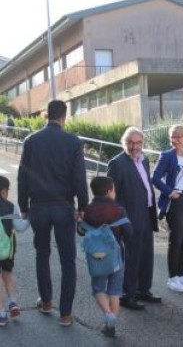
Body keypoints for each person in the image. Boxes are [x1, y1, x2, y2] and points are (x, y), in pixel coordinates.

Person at [17, 100, 88, 326]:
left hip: (38, 207)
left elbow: (22, 176)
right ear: (64, 117)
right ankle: (66, 313)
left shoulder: (31, 140)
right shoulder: (73, 142)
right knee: (68, 260)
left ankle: (46, 302)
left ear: (46, 115)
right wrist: (82, 207)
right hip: (63, 207)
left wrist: (24, 207)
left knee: (42, 254)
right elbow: (79, 177)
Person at [107, 127, 161, 310]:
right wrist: (119, 220)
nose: (134, 146)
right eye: (130, 142)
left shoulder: (143, 160)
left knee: (146, 254)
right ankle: (127, 295)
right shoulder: (117, 163)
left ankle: (143, 290)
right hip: (128, 217)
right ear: (124, 143)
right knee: (131, 257)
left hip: (145, 213)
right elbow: (110, 195)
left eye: (138, 142)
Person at [78, 176, 133, 337]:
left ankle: (107, 314)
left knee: (98, 289)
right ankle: (111, 324)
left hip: (96, 258)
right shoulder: (119, 210)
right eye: (114, 189)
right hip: (116, 257)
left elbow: (81, 231)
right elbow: (129, 231)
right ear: (110, 191)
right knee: (115, 291)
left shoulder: (88, 210)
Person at [152, 124, 183, 293]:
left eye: (180, 136)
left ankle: (182, 274)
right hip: (176, 200)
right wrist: (169, 192)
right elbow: (155, 178)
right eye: (174, 136)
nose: (177, 139)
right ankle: (172, 278)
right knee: (176, 240)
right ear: (170, 138)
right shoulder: (166, 156)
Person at [0, 176, 30, 326]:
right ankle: (13, 302)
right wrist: (29, 216)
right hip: (7, 250)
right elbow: (20, 227)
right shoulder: (10, 207)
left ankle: (1, 313)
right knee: (7, 274)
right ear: (4, 191)